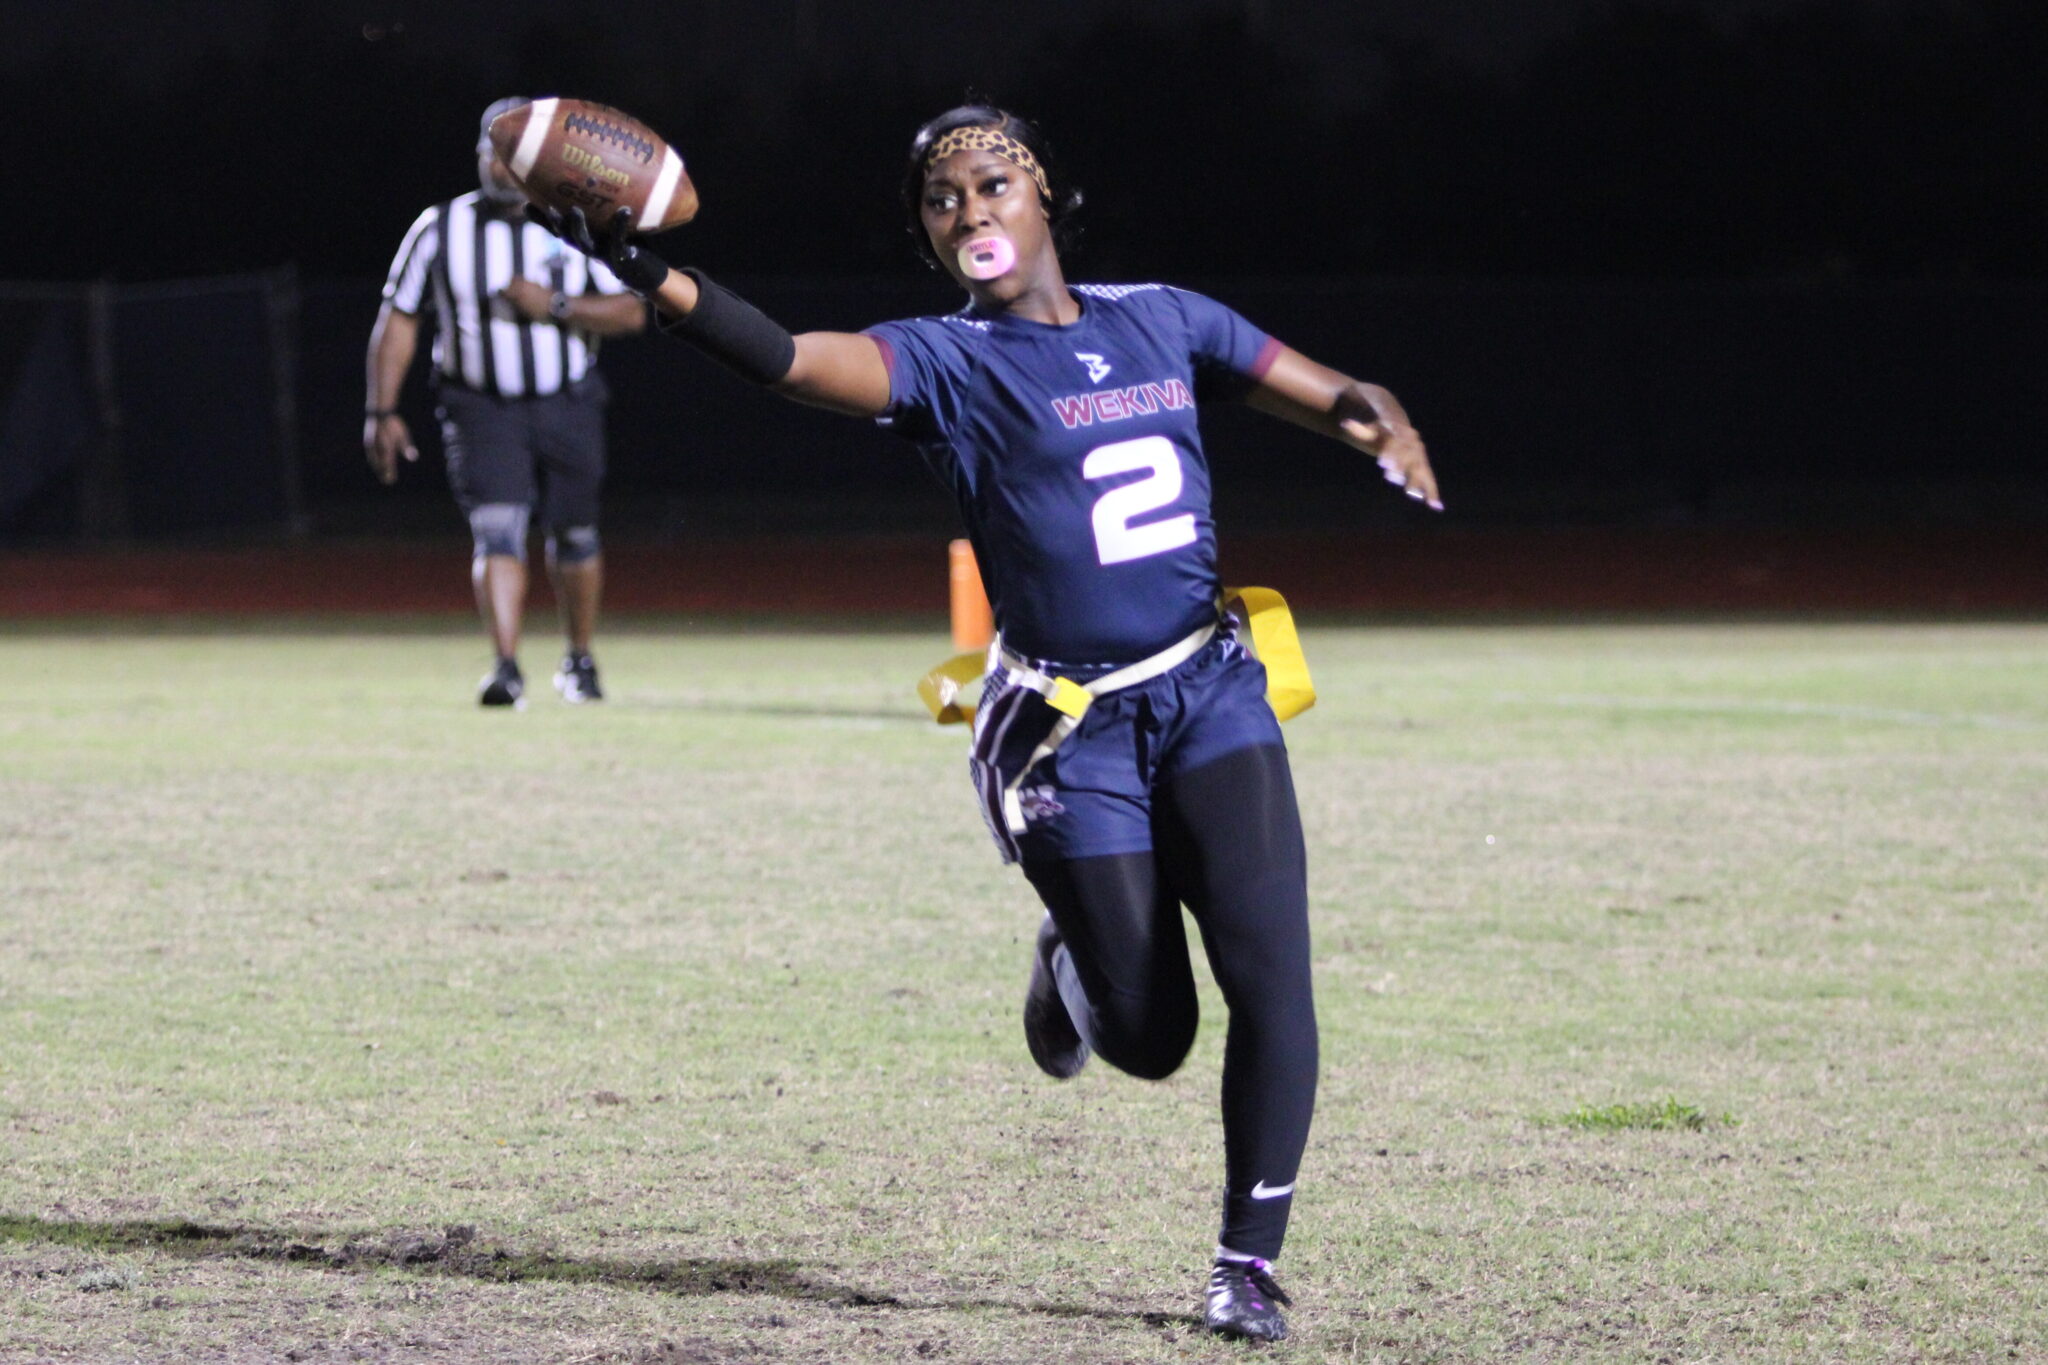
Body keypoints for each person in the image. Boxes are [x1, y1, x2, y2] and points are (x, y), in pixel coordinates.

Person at [535, 103, 1438, 1341]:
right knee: (1151, 1037)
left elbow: (1321, 387)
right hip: (1066, 726)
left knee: (1274, 980)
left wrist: (1376, 422)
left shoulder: (1162, 317)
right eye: (942, 200)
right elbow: (794, 360)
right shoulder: (947, 361)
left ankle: (1247, 1261)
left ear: (1044, 194)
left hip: (1207, 688)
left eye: (990, 183)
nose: (970, 210)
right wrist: (645, 269)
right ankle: (1071, 967)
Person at [364, 97, 652, 708]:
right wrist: (381, 411)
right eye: (490, 152)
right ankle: (506, 667)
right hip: (478, 404)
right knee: (497, 530)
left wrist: (554, 305)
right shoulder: (439, 227)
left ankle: (578, 659)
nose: (499, 166)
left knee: (573, 534)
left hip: (566, 399)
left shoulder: (576, 226)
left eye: (513, 155)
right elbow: (399, 318)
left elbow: (632, 311)